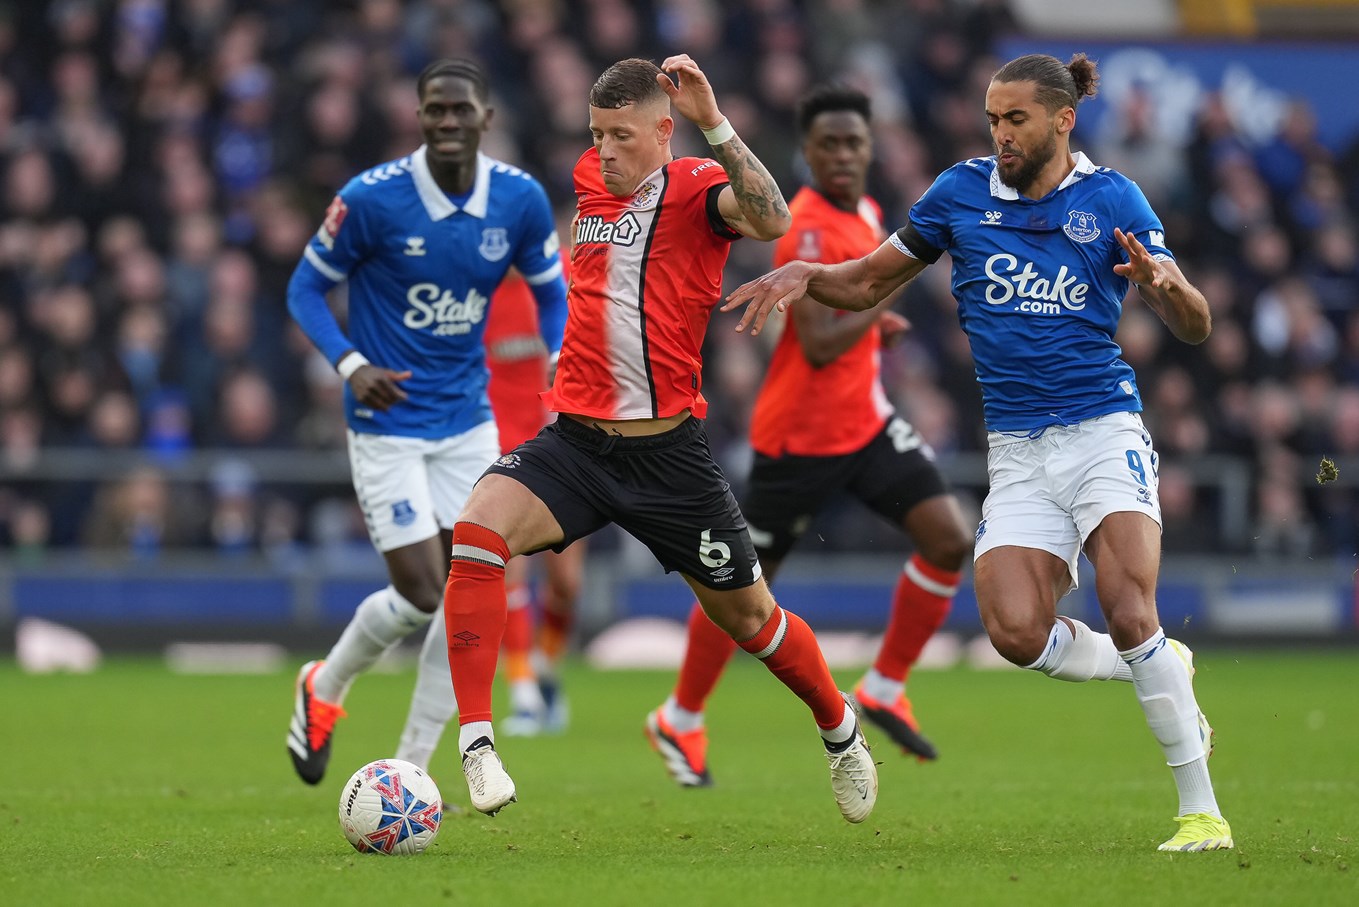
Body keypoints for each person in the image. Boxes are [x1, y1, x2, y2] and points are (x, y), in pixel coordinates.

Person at [723, 53, 1232, 853]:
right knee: (1015, 632)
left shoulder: (1112, 199)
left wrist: (1166, 290)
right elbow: (865, 283)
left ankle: (1199, 810)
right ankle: (1161, 664)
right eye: (992, 118)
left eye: (1015, 119)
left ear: (1063, 120)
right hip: (1019, 450)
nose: (999, 134)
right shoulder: (957, 193)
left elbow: (1195, 323)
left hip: (1101, 428)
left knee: (1129, 605)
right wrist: (803, 273)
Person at [441, 55, 879, 824]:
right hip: (575, 442)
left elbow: (772, 219)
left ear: (662, 132)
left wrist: (716, 123)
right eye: (596, 134)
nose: (603, 151)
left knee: (750, 619)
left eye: (620, 135)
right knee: (477, 532)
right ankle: (477, 743)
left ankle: (838, 728)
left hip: (668, 455)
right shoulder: (587, 180)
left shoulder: (699, 191)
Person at [645, 84, 972, 788]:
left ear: (868, 146)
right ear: (807, 151)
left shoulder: (867, 211)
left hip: (865, 423)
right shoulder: (803, 226)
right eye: (829, 143)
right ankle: (681, 712)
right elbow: (820, 342)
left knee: (948, 538)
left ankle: (885, 682)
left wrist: (871, 315)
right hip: (797, 442)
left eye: (853, 142)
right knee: (740, 589)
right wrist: (879, 299)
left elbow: (845, 324)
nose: (843, 154)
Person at [284, 58, 567, 786]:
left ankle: (411, 771)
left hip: (467, 420)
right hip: (387, 421)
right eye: (434, 110)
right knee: (418, 590)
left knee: (467, 585)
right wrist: (351, 364)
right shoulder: (371, 200)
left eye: (459, 110)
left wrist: (562, 355)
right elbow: (305, 288)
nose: (447, 122)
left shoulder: (519, 199)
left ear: (485, 118)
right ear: (418, 115)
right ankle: (324, 686)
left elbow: (549, 290)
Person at [481, 264, 587, 738]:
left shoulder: (562, 274)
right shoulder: (471, 287)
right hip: (502, 450)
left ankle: (545, 671)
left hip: (563, 445)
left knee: (566, 583)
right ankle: (522, 694)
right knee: (512, 572)